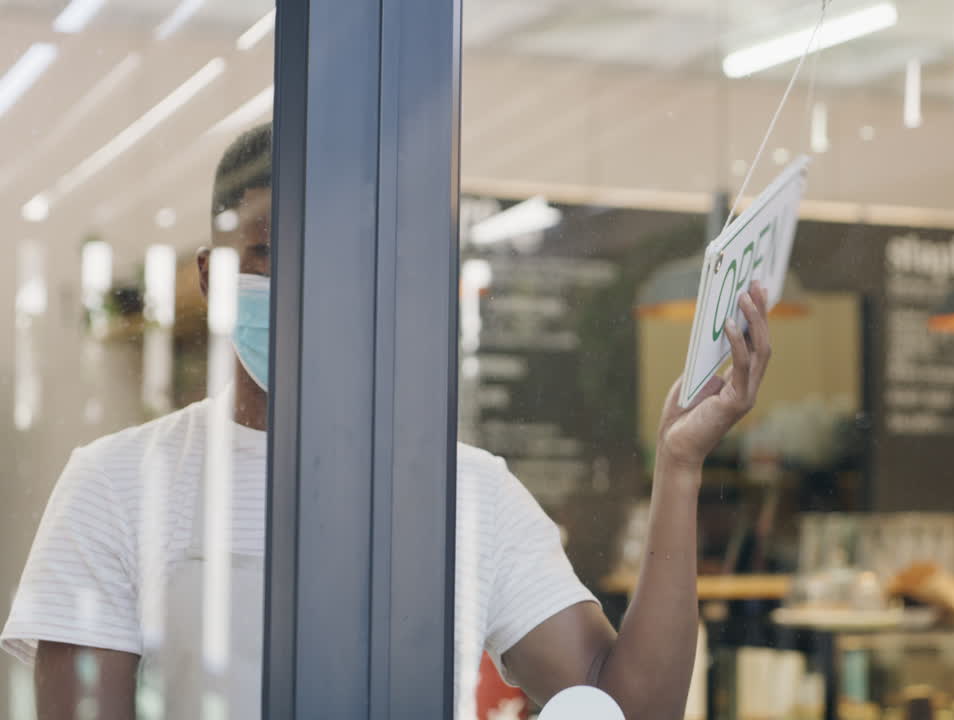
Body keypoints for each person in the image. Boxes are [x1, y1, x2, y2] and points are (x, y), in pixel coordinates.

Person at [1, 123, 775, 720]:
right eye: (268, 251)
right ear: (214, 276)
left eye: (338, 254)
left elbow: (628, 706)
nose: (305, 282)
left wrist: (679, 467)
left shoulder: (470, 493)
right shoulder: (115, 483)